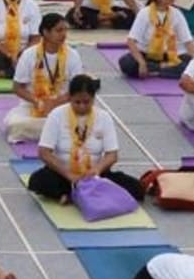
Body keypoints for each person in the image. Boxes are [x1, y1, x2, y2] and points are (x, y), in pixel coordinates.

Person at [28, 75, 146, 203]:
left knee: (137, 188)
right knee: (38, 180)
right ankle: (81, 193)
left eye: (86, 102)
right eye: (77, 102)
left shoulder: (104, 117)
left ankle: (72, 194)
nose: (82, 107)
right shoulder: (57, 115)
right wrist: (69, 175)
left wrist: (96, 170)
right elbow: (44, 152)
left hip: (95, 175)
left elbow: (112, 155)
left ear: (93, 99)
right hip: (64, 174)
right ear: (70, 98)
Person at [7, 13, 86, 142]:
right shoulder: (29, 54)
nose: (64, 34)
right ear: (46, 32)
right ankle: (56, 132)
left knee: (84, 122)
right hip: (33, 105)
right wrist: (38, 102)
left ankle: (52, 130)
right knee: (15, 125)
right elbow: (17, 88)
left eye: (66, 30)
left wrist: (55, 103)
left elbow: (77, 89)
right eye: (59, 30)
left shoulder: (73, 55)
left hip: (63, 104)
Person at [118, 0, 194, 78]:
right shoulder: (144, 13)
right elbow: (131, 41)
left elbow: (188, 42)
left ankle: (156, 71)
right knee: (127, 63)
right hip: (146, 55)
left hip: (169, 57)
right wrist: (141, 63)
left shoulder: (177, 14)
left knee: (189, 64)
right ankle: (162, 70)